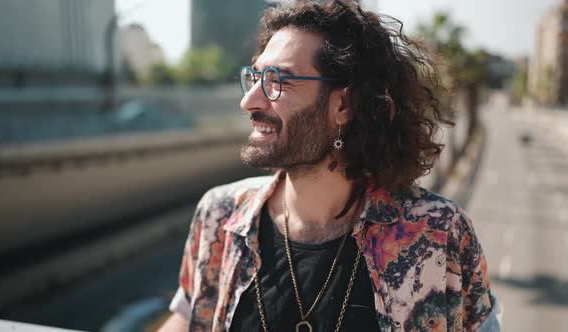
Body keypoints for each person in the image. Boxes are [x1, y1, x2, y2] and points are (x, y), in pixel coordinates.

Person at [159, 1, 499, 331]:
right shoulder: (221, 217)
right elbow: (190, 315)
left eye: (278, 81)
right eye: (255, 77)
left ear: (344, 105)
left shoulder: (437, 232)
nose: (249, 101)